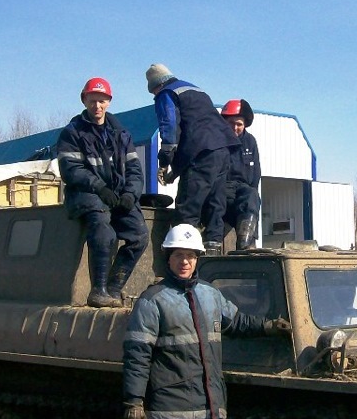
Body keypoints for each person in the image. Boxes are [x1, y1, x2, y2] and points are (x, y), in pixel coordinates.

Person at [121, 224, 290, 419]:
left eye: (190, 256)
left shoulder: (210, 296)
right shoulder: (152, 301)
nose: (184, 262)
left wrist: (268, 326)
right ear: (168, 259)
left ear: (198, 258)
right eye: (178, 256)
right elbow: (137, 354)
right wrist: (133, 401)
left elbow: (236, 321)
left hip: (209, 412)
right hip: (171, 413)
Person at [56, 77, 149, 309]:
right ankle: (98, 291)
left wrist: (130, 195)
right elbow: (71, 170)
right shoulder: (72, 133)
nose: (97, 106)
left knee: (139, 236)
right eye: (92, 101)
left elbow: (135, 171)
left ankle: (113, 288)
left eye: (102, 101)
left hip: (117, 194)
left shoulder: (121, 134)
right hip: (86, 193)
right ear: (84, 100)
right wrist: (99, 187)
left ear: (109, 102)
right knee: (103, 229)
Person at [145, 64, 240, 255]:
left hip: (202, 152)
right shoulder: (195, 90)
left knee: (188, 206)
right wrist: (176, 171)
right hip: (222, 150)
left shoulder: (166, 93)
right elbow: (198, 128)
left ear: (156, 85)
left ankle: (181, 254)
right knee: (215, 201)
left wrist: (164, 161)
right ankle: (213, 250)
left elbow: (170, 129)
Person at [220, 99, 261, 250]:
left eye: (239, 124)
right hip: (222, 189)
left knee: (252, 196)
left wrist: (253, 193)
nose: (235, 128)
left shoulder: (250, 141)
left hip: (243, 189)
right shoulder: (216, 140)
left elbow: (256, 173)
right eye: (231, 123)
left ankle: (245, 245)